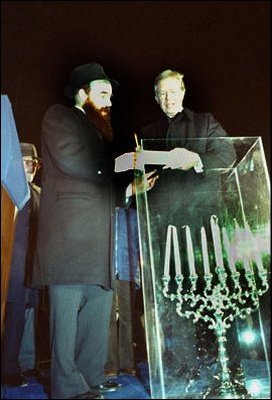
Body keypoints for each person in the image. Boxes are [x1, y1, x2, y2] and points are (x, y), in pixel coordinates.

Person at [136, 69, 247, 395]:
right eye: (163, 94)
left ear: (183, 92)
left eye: (174, 91)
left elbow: (227, 154)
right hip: (166, 230)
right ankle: (185, 369)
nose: (169, 98)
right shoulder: (147, 133)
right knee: (176, 303)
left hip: (204, 228)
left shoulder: (206, 122)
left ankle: (231, 368)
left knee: (218, 298)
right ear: (156, 98)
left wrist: (195, 159)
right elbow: (135, 173)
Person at [32, 63, 122, 400]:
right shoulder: (60, 116)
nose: (108, 101)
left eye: (110, 96)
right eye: (102, 93)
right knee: (66, 312)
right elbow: (77, 161)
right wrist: (124, 164)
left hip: (98, 239)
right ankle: (67, 386)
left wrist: (128, 190)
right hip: (68, 239)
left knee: (99, 304)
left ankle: (89, 375)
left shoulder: (97, 130)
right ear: (82, 93)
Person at [1, 143, 41, 387]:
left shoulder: (38, 192)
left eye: (34, 163)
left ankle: (24, 365)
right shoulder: (7, 191)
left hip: (30, 269)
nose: (31, 168)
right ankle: (8, 370)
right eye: (27, 162)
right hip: (11, 269)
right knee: (14, 318)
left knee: (25, 318)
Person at [105, 206, 140, 378]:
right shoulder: (106, 211)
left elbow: (139, 244)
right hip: (107, 272)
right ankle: (110, 363)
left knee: (128, 317)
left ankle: (127, 362)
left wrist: (139, 272)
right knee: (108, 318)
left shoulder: (132, 215)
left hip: (127, 271)